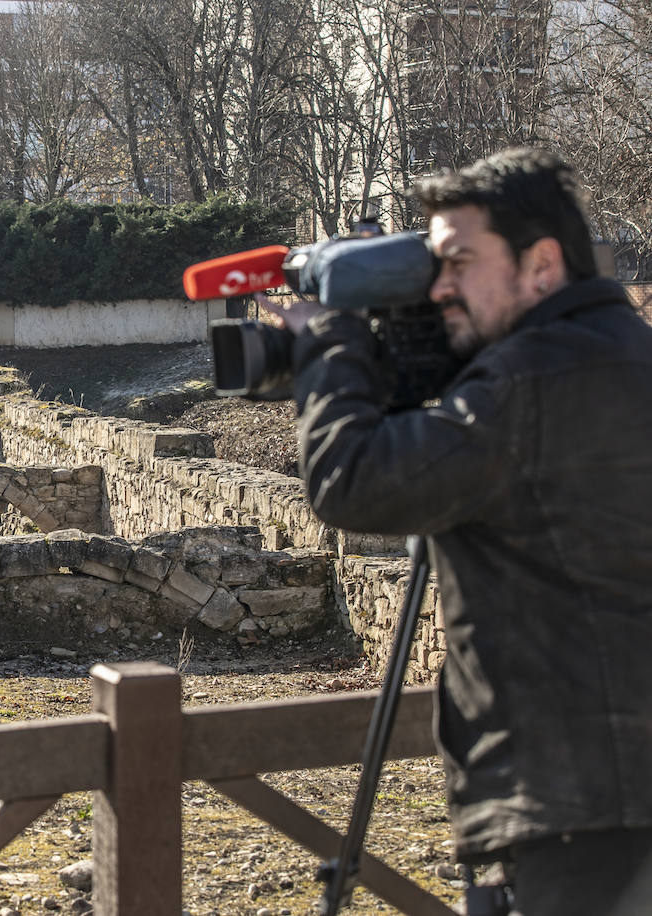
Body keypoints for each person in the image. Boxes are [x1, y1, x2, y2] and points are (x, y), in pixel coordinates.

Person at [257, 147, 652, 915]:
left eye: (460, 263)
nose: (441, 289)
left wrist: (332, 351)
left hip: (576, 815)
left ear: (541, 264)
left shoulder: (525, 384)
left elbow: (354, 483)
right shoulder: (627, 357)